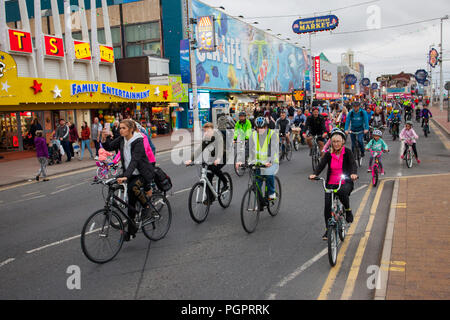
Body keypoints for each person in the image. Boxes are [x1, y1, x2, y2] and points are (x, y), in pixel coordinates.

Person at [101, 119, 156, 241]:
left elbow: (135, 160)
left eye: (123, 128)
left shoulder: (138, 141)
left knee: (133, 187)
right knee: (130, 205)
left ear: (131, 129)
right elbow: (109, 147)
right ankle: (131, 232)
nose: (120, 130)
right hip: (131, 173)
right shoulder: (122, 139)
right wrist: (104, 138)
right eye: (120, 128)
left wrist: (126, 175)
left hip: (143, 173)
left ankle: (147, 207)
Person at [309, 128, 358, 240]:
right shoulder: (328, 154)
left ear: (343, 142)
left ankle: (348, 210)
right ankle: (327, 230)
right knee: (327, 206)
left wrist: (354, 174)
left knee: (342, 192)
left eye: (338, 141)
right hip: (330, 183)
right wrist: (314, 174)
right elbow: (321, 165)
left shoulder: (348, 152)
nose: (336, 144)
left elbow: (353, 165)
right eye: (334, 142)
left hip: (344, 181)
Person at [237, 116, 279, 202]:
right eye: (258, 128)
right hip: (258, 162)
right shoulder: (253, 135)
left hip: (270, 161)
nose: (260, 130)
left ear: (266, 127)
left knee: (269, 174)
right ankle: (260, 202)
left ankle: (271, 193)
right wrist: (241, 160)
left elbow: (273, 148)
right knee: (256, 184)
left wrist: (269, 161)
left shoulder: (272, 134)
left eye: (262, 127)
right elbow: (247, 148)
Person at [185, 122, 228, 205]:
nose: (206, 133)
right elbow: (199, 149)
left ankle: (225, 182)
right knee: (208, 175)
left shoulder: (218, 136)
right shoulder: (206, 138)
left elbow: (221, 148)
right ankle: (210, 197)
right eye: (205, 131)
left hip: (223, 155)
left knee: (214, 168)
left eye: (207, 131)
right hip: (212, 157)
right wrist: (191, 160)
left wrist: (218, 159)